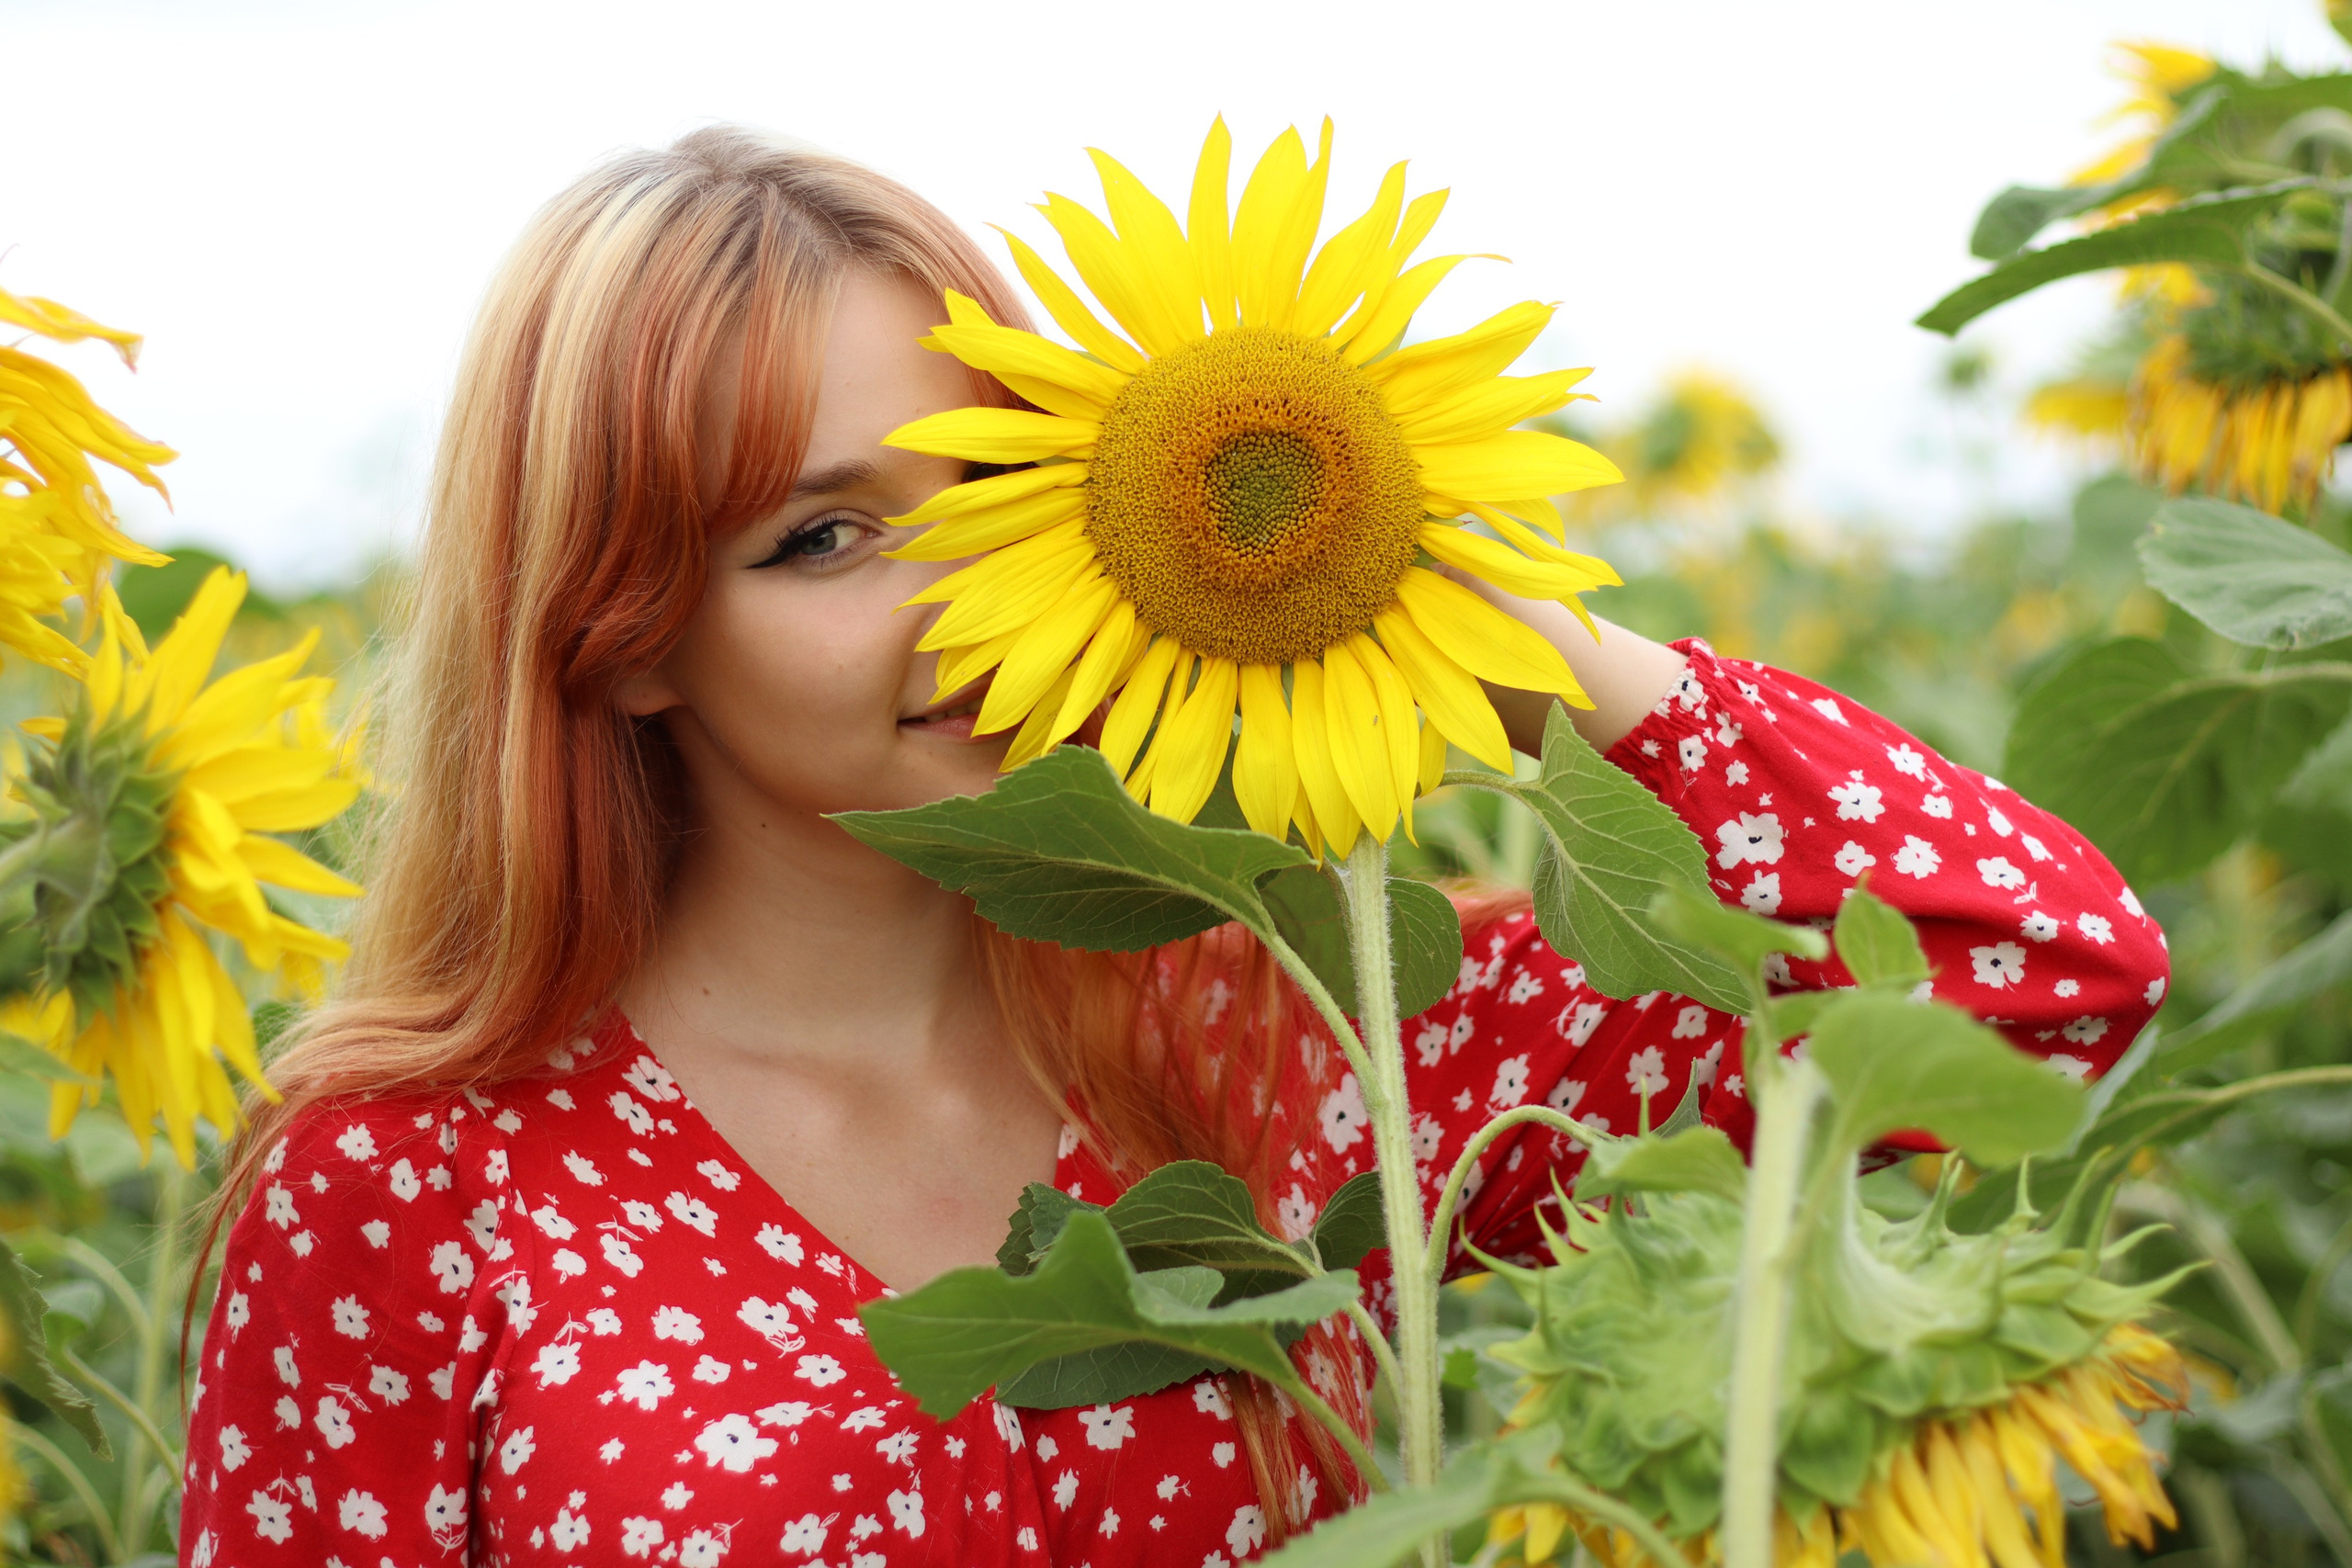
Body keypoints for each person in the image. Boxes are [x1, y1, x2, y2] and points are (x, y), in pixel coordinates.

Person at [176, 127, 2166, 1568]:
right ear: (616, 643)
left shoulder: (1300, 1034)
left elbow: (2033, 976)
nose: (967, 600)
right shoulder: (414, 1175)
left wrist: (1474, 616)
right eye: (826, 534)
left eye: (1000, 489)